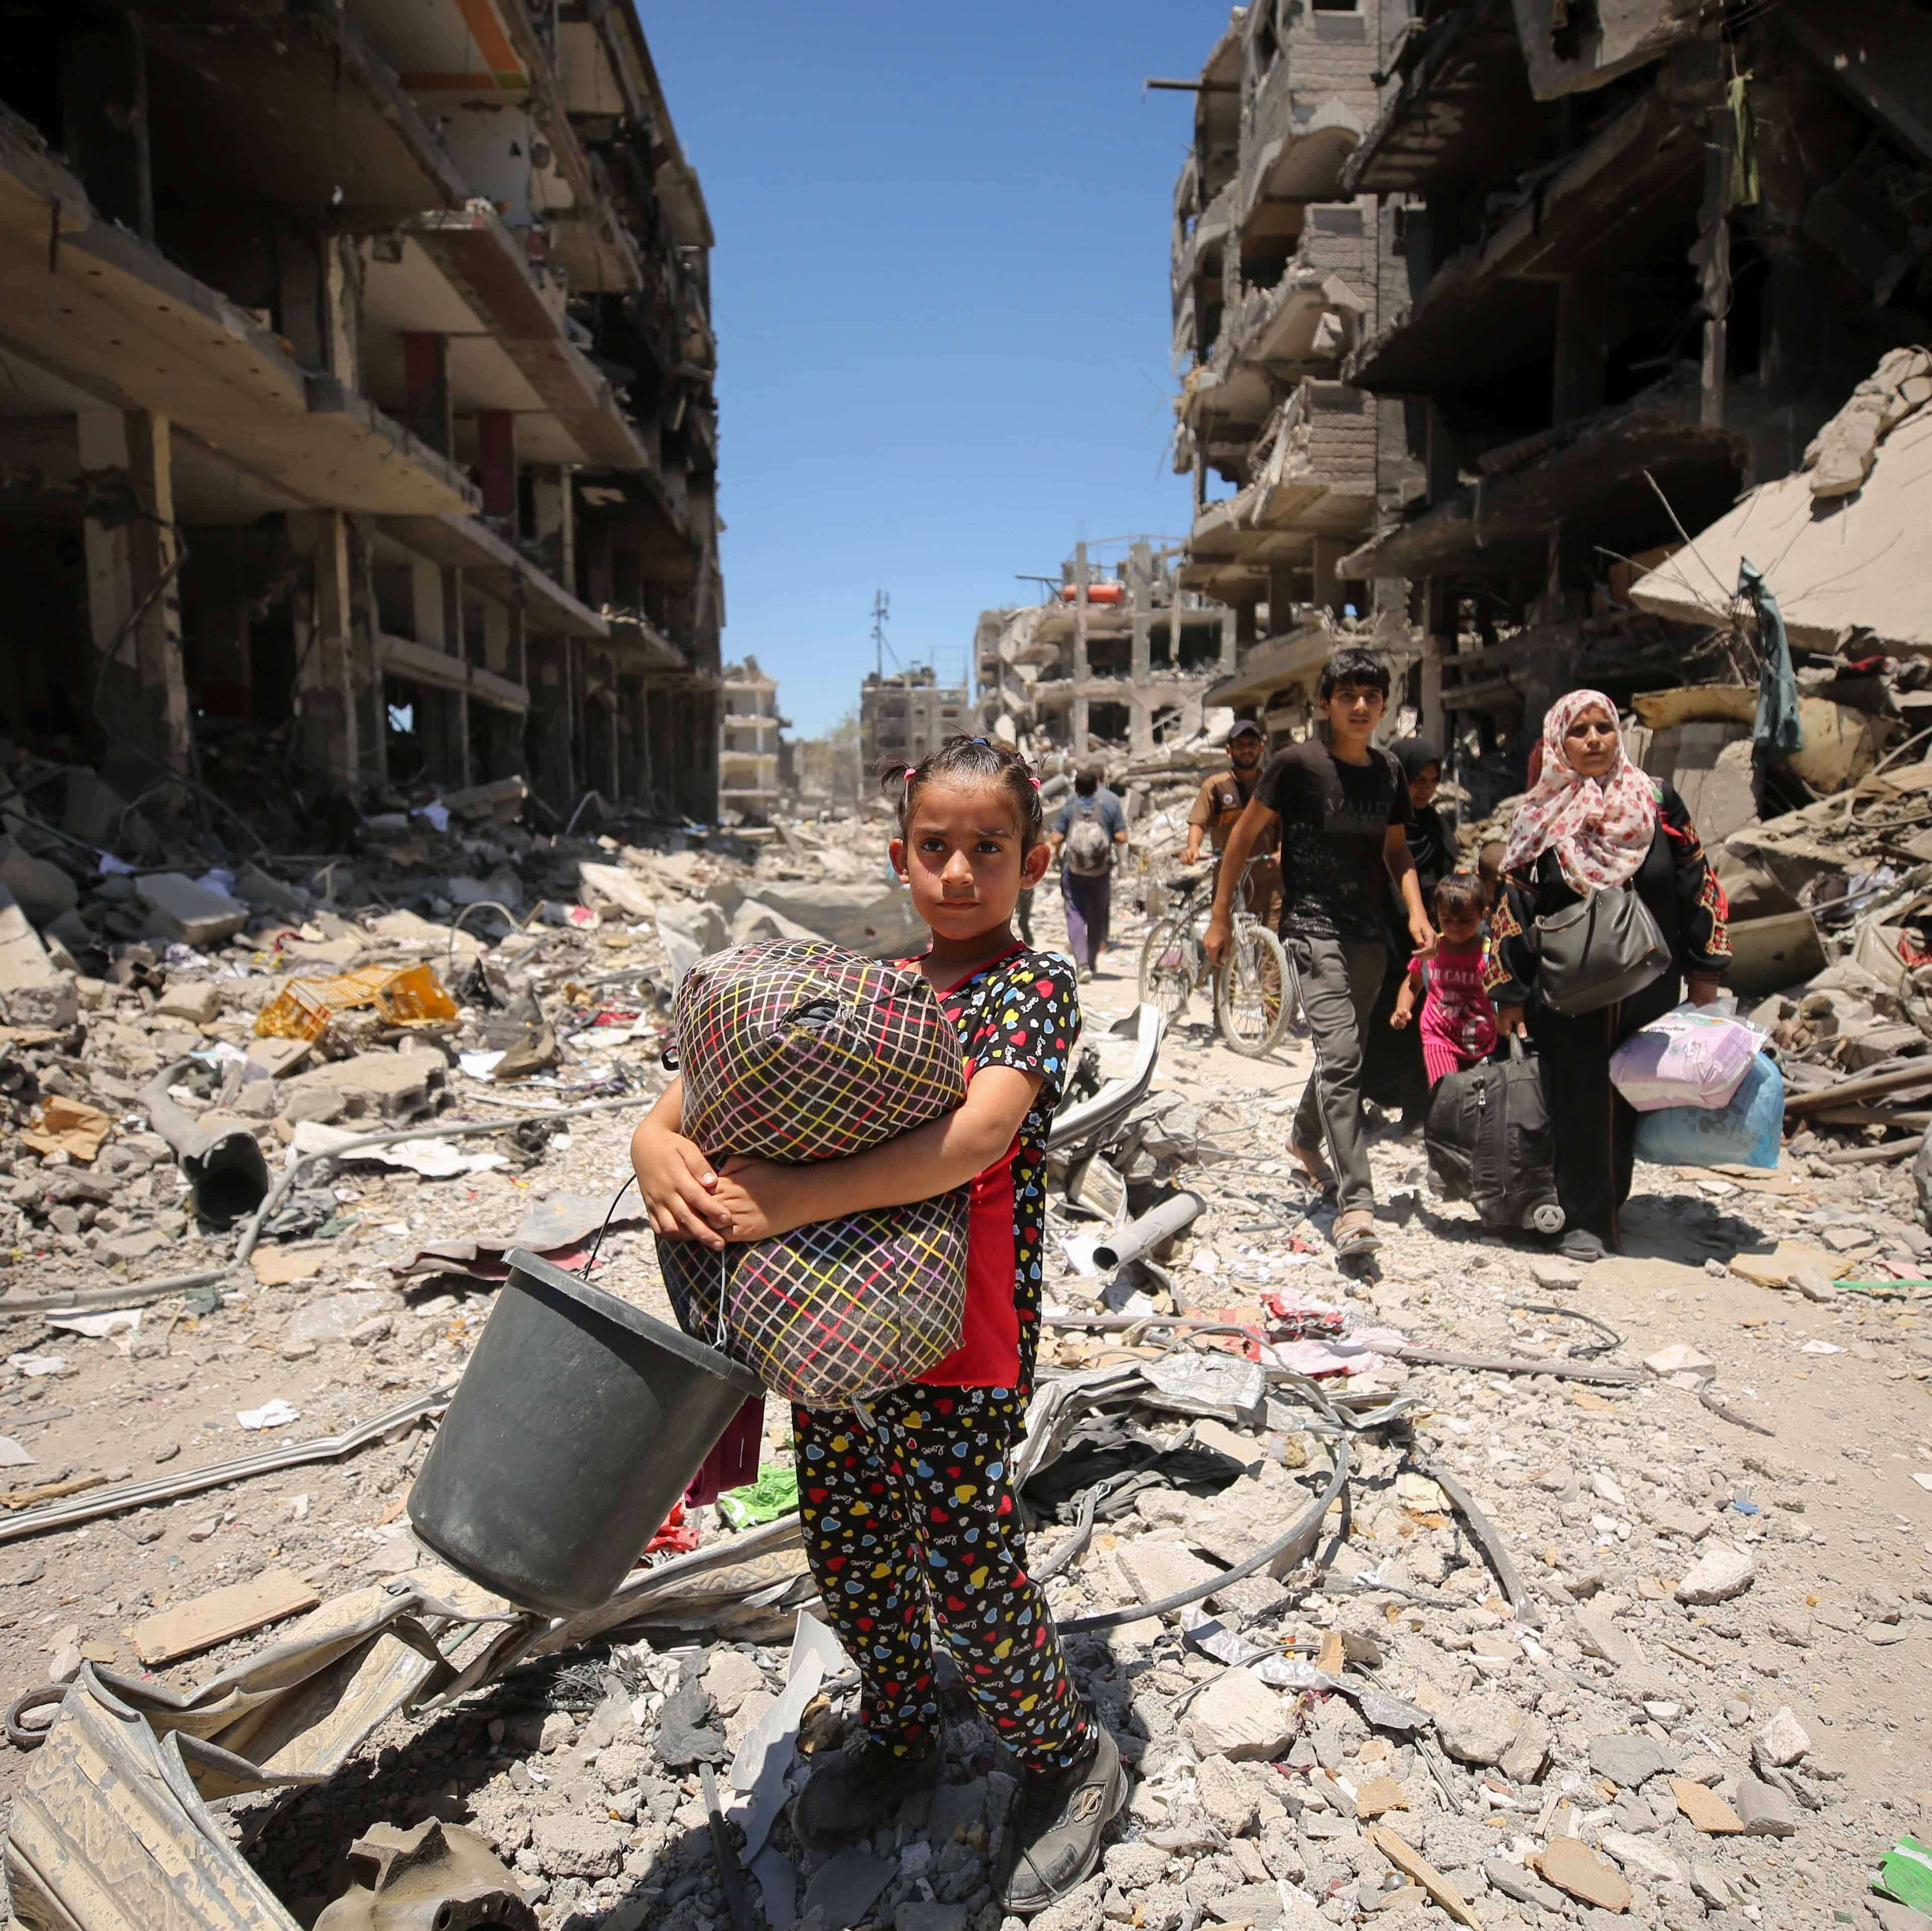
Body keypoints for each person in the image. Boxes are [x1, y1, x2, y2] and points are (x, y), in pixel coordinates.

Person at [631, 736, 1119, 1915]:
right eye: (934, 848)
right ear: (899, 860)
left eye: (986, 849)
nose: (958, 871)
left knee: (966, 1560)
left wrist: (790, 1197)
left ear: (1034, 860)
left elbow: (974, 1139)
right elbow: (709, 1083)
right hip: (835, 1328)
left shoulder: (1031, 988)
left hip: (962, 1332)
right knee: (848, 1542)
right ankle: (899, 1724)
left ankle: (1066, 1761)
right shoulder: (881, 986)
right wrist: (655, 1142)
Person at [1203, 648, 1435, 1258]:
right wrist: (1221, 915)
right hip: (1311, 928)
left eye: (1372, 696)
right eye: (1348, 696)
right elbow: (1243, 840)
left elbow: (1397, 852)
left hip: (1368, 938)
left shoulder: (1387, 770)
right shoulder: (1296, 765)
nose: (1360, 706)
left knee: (1345, 1053)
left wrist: (1415, 910)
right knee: (1341, 1059)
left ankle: (1304, 1140)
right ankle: (1356, 1203)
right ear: (1326, 703)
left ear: (1385, 705)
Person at [1487, 691, 1731, 1261]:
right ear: (1557, 742)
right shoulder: (1538, 813)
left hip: (1646, 987)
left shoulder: (1656, 799)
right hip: (1567, 991)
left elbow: (1698, 879)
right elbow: (1513, 907)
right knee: (1576, 1094)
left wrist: (1706, 968)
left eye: (1604, 726)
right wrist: (1508, 991)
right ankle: (1584, 1219)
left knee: (1626, 1095)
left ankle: (1608, 1205)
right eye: (1580, 730)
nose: (1594, 738)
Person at [1362, 736, 1454, 1125]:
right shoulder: (1374, 824)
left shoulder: (1436, 827)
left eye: (1433, 780)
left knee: (1421, 1025)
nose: (1425, 788)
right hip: (1378, 943)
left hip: (1422, 948)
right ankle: (1356, 1105)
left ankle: (1416, 1109)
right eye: (1417, 779)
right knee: (1372, 1023)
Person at [1391, 872, 1497, 1084]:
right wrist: (1402, 1008)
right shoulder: (1432, 950)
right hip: (1439, 1037)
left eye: (1466, 921)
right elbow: (1413, 983)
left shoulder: (1491, 953)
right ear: (1436, 914)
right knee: (1447, 1095)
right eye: (1447, 920)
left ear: (1483, 915)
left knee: (1480, 1103)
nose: (1456, 927)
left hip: (1482, 1042)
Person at [1182, 717, 1279, 921]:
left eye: (1252, 745)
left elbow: (1284, 824)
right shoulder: (1216, 786)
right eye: (1240, 745)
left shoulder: (1272, 785)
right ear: (1229, 750)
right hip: (1229, 879)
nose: (1247, 750)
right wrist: (1193, 847)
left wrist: (1281, 851)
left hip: (1268, 881)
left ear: (1262, 748)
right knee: (1227, 943)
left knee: (1271, 946)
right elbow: (1199, 822)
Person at [1048, 768, 1129, 981]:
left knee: (1075, 914)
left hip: (1073, 870)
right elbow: (1122, 836)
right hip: (1101, 872)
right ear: (1097, 786)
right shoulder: (1111, 801)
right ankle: (1092, 962)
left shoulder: (1070, 803)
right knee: (1096, 916)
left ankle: (1082, 964)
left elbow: (1056, 838)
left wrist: (1057, 855)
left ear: (1075, 787)